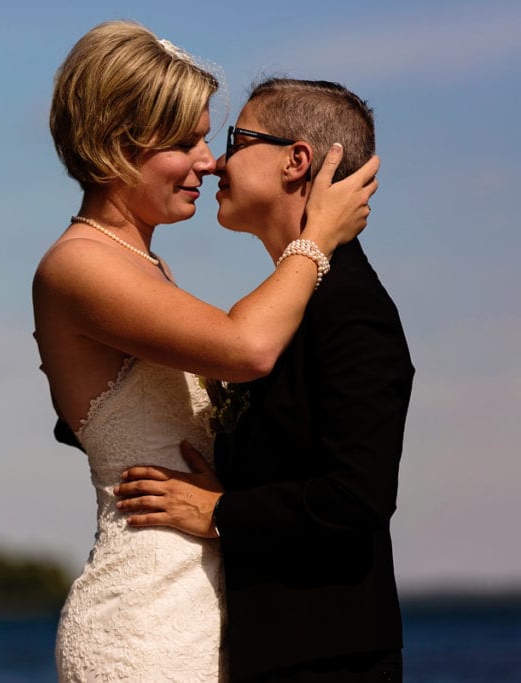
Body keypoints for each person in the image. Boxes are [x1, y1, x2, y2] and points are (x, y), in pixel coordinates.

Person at [34, 21, 379, 682]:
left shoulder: (141, 267)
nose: (209, 160)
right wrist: (320, 238)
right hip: (143, 623)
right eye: (186, 141)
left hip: (200, 608)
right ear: (117, 144)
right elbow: (247, 347)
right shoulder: (79, 264)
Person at [114, 78, 413, 681]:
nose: (218, 160)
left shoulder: (352, 309)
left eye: (237, 139)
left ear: (295, 161)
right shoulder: (292, 308)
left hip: (329, 660)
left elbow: (358, 498)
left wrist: (221, 512)